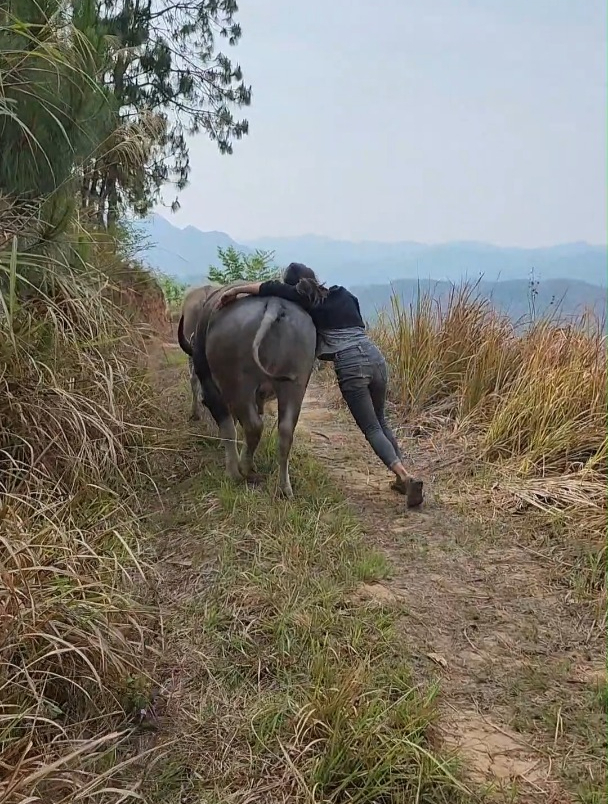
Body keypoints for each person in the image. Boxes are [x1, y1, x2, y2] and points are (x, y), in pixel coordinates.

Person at [218, 263, 424, 507]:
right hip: (376, 357)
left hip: (350, 365)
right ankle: (402, 478)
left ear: (293, 285)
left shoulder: (305, 300)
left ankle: (404, 475)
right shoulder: (343, 293)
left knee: (371, 428)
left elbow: (267, 287)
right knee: (381, 420)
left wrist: (237, 290)